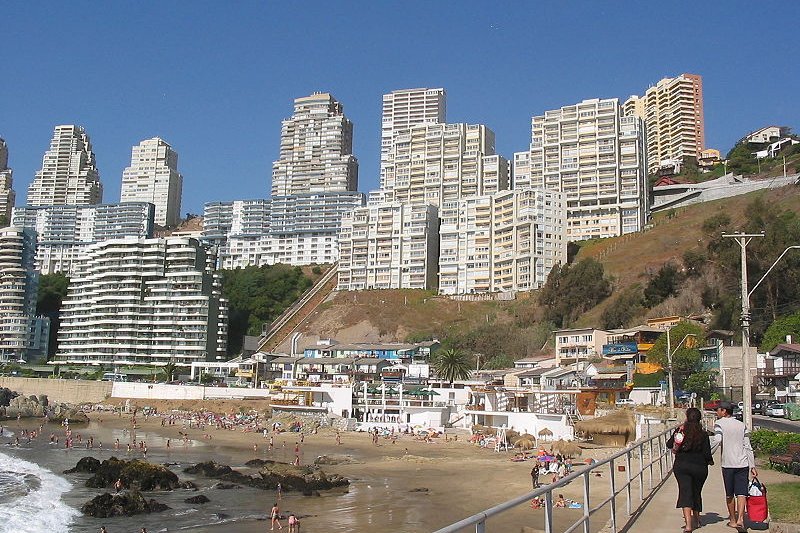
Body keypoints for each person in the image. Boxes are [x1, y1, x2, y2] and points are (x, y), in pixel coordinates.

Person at [710, 401, 757, 532]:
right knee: (741, 492)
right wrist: (752, 465)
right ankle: (741, 519)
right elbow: (747, 445)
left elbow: (718, 440)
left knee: (729, 494)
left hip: (728, 464)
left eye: (717, 410)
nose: (716, 412)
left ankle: (732, 520)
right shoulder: (742, 425)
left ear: (724, 411)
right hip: (743, 463)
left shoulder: (719, 424)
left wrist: (708, 454)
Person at [666, 407, 713, 532]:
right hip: (699, 467)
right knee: (696, 492)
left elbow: (669, 444)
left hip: (682, 465)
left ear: (687, 418)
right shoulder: (703, 434)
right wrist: (709, 461)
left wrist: (678, 432)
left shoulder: (681, 431)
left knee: (685, 492)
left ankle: (688, 525)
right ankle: (697, 520)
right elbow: (707, 453)